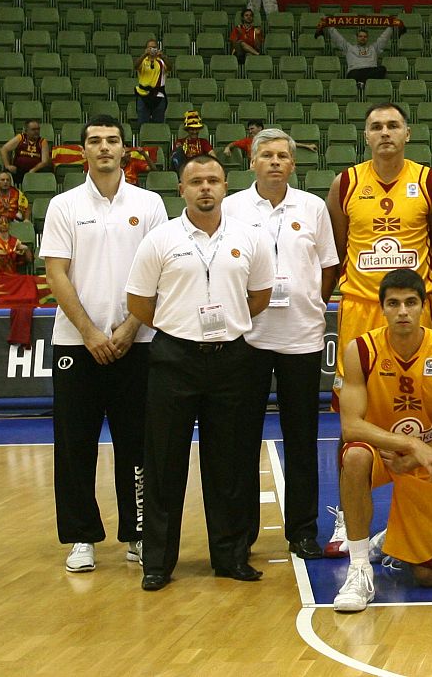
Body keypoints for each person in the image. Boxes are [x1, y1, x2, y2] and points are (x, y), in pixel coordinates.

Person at [125, 155, 275, 591]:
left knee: (229, 463)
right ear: (181, 190)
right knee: (163, 462)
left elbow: (260, 295)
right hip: (173, 358)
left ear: (226, 185)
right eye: (196, 181)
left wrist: (225, 324)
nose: (205, 187)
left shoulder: (250, 238)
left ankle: (230, 557)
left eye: (212, 180)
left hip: (232, 359)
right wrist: (179, 326)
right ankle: (158, 562)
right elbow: (138, 303)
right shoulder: (160, 239)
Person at [41, 115, 168, 574]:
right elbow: (56, 273)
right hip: (77, 344)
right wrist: (90, 333)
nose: (104, 148)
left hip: (139, 341)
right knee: (75, 444)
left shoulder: (150, 203)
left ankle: (137, 533)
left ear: (125, 150)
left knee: (138, 443)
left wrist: (130, 327)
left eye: (112, 141)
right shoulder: (64, 205)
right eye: (94, 141)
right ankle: (80, 538)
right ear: (83, 151)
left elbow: (159, 273)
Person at [223, 128, 340, 561]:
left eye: (282, 156)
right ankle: (240, 535)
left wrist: (312, 302)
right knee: (240, 440)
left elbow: (328, 264)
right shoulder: (231, 207)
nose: (274, 162)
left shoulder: (311, 207)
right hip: (247, 336)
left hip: (302, 337)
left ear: (293, 164)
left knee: (302, 438)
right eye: (266, 155)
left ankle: (303, 531)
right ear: (252, 162)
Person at [331, 269, 432, 612]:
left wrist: (421, 452)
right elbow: (351, 426)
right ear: (382, 309)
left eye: (411, 302)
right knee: (354, 456)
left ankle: (391, 538)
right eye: (393, 304)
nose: (403, 311)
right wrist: (409, 445)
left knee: (427, 576)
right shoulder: (361, 350)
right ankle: (360, 568)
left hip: (428, 458)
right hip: (382, 453)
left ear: (424, 306)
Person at [327, 102, 432, 380]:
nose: (385, 133)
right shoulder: (345, 183)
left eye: (393, 126)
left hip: (414, 305)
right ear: (366, 136)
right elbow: (338, 249)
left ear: (408, 133)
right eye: (376, 127)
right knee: (358, 393)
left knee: (418, 390)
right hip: (361, 305)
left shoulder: (430, 182)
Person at [326, 25, 396, 96]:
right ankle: (363, 83)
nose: (363, 38)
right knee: (353, 73)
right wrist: (330, 27)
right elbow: (338, 39)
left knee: (382, 69)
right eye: (360, 36)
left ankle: (362, 83)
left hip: (370, 71)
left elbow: (383, 39)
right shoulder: (349, 48)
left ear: (367, 38)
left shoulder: (373, 48)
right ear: (357, 38)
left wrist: (391, 27)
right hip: (356, 72)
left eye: (365, 37)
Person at [0, 119, 53, 185]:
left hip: (36, 171)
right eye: (33, 129)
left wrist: (33, 170)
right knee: (5, 174)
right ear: (26, 131)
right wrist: (7, 165)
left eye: (38, 129)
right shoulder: (20, 138)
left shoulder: (42, 141)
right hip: (19, 170)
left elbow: (45, 161)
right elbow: (4, 149)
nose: (36, 132)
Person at [134, 39, 171, 126]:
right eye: (149, 47)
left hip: (158, 95)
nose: (152, 49)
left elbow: (170, 67)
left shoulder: (161, 61)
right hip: (143, 95)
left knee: (158, 124)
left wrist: (163, 56)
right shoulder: (143, 60)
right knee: (142, 124)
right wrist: (144, 55)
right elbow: (135, 66)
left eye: (154, 47)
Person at [169, 111, 212, 175]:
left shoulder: (204, 142)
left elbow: (213, 156)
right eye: (192, 129)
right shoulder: (180, 142)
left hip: (200, 170)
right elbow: (174, 159)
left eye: (196, 129)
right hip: (183, 172)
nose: (194, 132)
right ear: (187, 130)